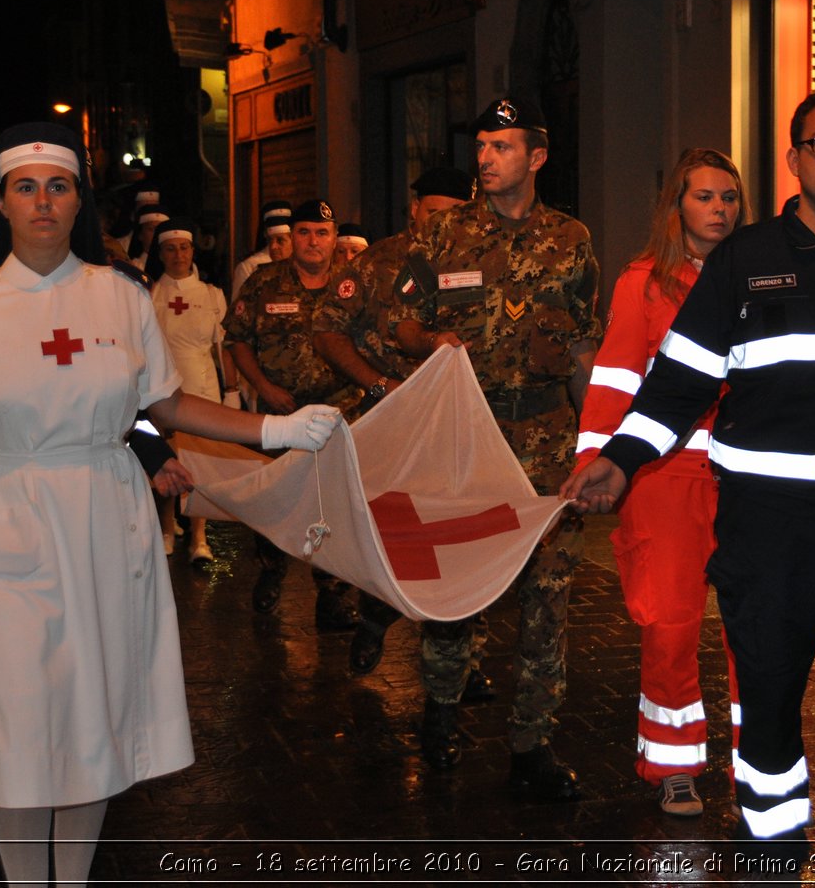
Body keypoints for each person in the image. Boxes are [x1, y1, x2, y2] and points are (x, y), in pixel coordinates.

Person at [0, 123, 340, 887]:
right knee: (18, 724)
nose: (42, 201)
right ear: (0, 202)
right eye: (25, 186)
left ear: (79, 201)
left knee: (92, 717)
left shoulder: (119, 296)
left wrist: (272, 429)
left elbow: (167, 403)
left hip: (107, 517)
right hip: (8, 521)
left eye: (58, 185)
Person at [562, 89, 815, 883]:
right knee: (773, 712)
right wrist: (620, 456)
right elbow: (679, 383)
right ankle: (773, 861)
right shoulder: (744, 262)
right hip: (768, 534)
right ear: (793, 160)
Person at [392, 94, 600, 800]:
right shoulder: (444, 233)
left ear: (536, 156)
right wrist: (431, 339)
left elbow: (582, 344)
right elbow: (402, 325)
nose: (485, 158)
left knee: (547, 595)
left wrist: (596, 441)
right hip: (467, 439)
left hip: (545, 438)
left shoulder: (571, 239)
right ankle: (443, 709)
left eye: (502, 146)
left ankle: (530, 742)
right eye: (481, 145)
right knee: (458, 585)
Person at [573, 148, 745, 818]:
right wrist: (600, 465)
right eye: (704, 197)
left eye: (728, 197)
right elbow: (614, 379)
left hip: (742, 481)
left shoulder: (759, 278)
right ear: (677, 208)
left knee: (756, 627)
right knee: (670, 625)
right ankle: (673, 764)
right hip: (664, 476)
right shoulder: (642, 283)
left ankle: (762, 758)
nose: (719, 209)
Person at [310, 166, 492, 684]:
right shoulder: (377, 263)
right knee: (399, 540)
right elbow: (326, 330)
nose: (443, 224)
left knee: (460, 538)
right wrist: (374, 387)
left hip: (456, 427)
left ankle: (460, 659)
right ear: (414, 210)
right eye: (434, 212)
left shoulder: (478, 258)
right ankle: (375, 615)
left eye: (455, 214)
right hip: (392, 425)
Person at [225, 198, 364, 630]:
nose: (313, 241)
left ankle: (334, 594)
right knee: (276, 499)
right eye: (303, 232)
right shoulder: (264, 282)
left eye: (322, 233)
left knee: (335, 504)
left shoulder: (354, 285)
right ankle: (271, 569)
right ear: (292, 237)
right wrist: (263, 387)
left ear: (335, 238)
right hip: (280, 412)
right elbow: (237, 339)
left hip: (342, 414)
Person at [146, 217, 237, 566]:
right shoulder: (151, 293)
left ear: (192, 251)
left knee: (199, 464)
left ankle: (199, 536)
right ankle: (168, 529)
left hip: (202, 386)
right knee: (167, 461)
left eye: (184, 248)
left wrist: (231, 390)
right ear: (161, 254)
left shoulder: (212, 295)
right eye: (170, 249)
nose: (178, 255)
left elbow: (223, 346)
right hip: (166, 388)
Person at [231, 199, 292, 302]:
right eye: (269, 240)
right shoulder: (250, 267)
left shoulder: (303, 266)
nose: (273, 247)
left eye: (280, 240)